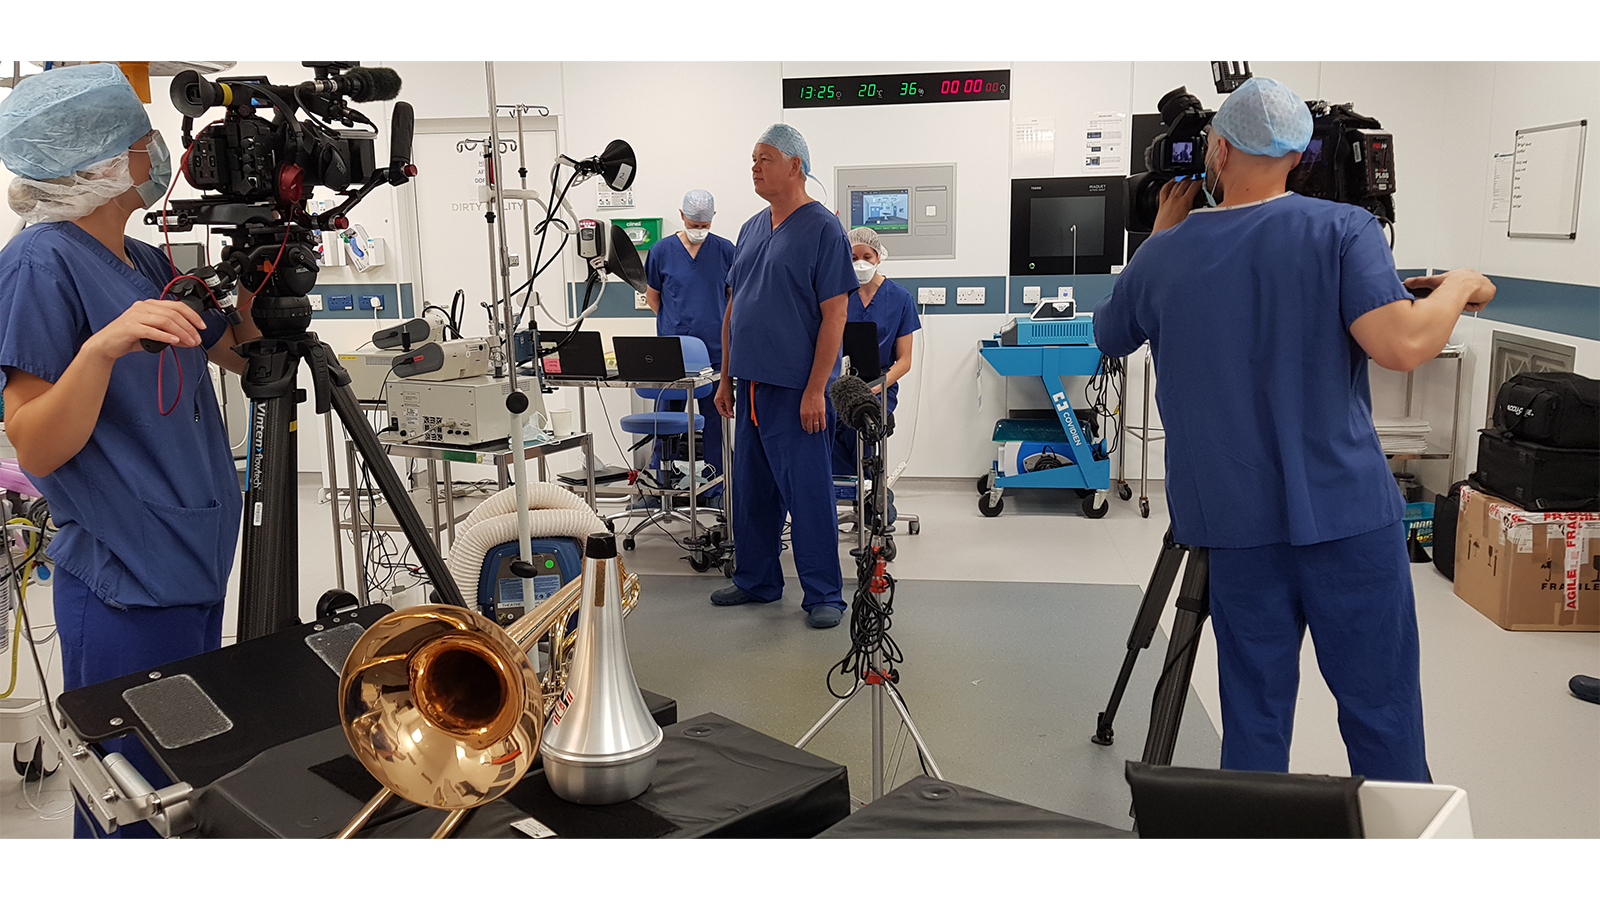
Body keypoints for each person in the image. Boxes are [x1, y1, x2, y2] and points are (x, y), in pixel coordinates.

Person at [1093, 77, 1496, 782]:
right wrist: (1460, 285)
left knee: (1253, 719)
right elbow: (1402, 344)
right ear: (1299, 155)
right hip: (1347, 520)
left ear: (1218, 150)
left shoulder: (1164, 257)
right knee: (1382, 715)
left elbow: (1109, 333)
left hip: (1237, 526)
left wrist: (1159, 238)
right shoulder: (1344, 231)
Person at [0, 64, 256, 837]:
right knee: (135, 803)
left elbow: (241, 352)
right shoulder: (39, 263)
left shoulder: (144, 261)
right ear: (106, 162)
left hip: (190, 563)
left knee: (185, 783)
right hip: (125, 580)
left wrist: (264, 268)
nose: (154, 148)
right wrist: (101, 350)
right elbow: (36, 441)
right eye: (140, 135)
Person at [710, 124, 856, 629]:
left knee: (807, 491)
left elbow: (834, 315)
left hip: (797, 389)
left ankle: (823, 594)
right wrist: (726, 379)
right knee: (751, 489)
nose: (755, 166)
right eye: (752, 158)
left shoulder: (823, 229)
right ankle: (757, 580)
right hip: (747, 383)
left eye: (765, 158)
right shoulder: (750, 228)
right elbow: (733, 310)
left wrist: (817, 388)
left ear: (795, 165)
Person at [640, 189, 735, 507]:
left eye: (704, 224)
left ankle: (716, 488)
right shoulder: (662, 251)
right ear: (681, 216)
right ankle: (659, 489)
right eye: (694, 222)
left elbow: (733, 298)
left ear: (712, 220)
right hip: (672, 350)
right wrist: (673, 325)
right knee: (666, 418)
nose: (699, 228)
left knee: (714, 419)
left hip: (715, 350)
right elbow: (653, 296)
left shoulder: (725, 251)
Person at [832, 227, 921, 524]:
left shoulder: (899, 298)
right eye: (853, 257)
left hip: (880, 387)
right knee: (829, 431)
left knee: (863, 427)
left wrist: (874, 389)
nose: (860, 263)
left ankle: (876, 495)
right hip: (838, 386)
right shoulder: (838, 296)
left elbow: (905, 360)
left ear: (879, 256)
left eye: (866, 256)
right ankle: (862, 493)